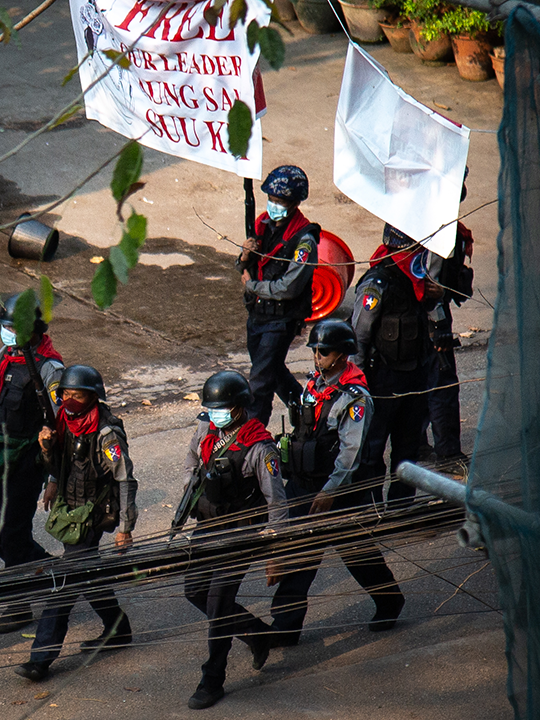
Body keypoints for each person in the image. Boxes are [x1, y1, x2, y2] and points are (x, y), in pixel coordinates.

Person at [269, 319, 404, 645]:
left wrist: (330, 492)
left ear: (343, 355)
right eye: (315, 350)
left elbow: (350, 454)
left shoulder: (355, 398)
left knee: (357, 552)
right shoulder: (316, 384)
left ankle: (389, 600)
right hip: (304, 484)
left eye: (324, 351)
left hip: (337, 491)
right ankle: (285, 626)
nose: (317, 357)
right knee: (298, 553)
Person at [14, 365, 136, 683]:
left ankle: (41, 658)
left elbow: (125, 478)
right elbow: (61, 463)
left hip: (94, 512)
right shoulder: (64, 422)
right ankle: (118, 628)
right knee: (87, 573)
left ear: (92, 396)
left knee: (64, 584)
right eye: (65, 394)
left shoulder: (107, 433)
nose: (69, 400)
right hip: (71, 507)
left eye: (77, 395)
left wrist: (125, 527)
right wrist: (47, 452)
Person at [176, 370, 284, 710]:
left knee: (219, 603)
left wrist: (276, 551)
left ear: (238, 408)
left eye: (221, 408)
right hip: (208, 524)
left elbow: (277, 501)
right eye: (211, 408)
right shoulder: (206, 428)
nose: (214, 414)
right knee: (194, 591)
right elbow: (190, 461)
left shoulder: (259, 447)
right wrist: (192, 493)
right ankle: (256, 632)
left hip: (240, 532)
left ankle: (212, 679)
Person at [0, 293, 61, 634]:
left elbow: (61, 425)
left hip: (28, 462)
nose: (7, 333)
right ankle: (47, 570)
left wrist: (53, 477)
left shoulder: (49, 368)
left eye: (13, 327)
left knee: (12, 531)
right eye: (4, 326)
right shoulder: (5, 355)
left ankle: (19, 605)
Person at [351, 225, 439, 503]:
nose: (418, 255)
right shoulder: (378, 283)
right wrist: (359, 385)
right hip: (381, 379)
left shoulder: (420, 283)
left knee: (408, 447)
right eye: (413, 249)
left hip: (413, 377)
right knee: (372, 449)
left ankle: (401, 506)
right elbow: (359, 337)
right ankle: (371, 507)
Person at [238, 165, 320, 425]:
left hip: (281, 319)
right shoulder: (262, 224)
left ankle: (253, 433)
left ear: (294, 203)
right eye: (271, 200)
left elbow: (289, 287)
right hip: (258, 315)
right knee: (273, 373)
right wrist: (245, 255)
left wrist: (253, 287)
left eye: (280, 201)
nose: (274, 206)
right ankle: (309, 412)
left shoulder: (304, 239)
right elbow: (245, 268)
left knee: (259, 382)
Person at [420, 172, 475, 465]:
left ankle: (421, 443)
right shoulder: (435, 228)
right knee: (441, 384)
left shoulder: (443, 227)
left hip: (427, 313)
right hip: (431, 317)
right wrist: (438, 321)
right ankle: (448, 452)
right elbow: (430, 285)